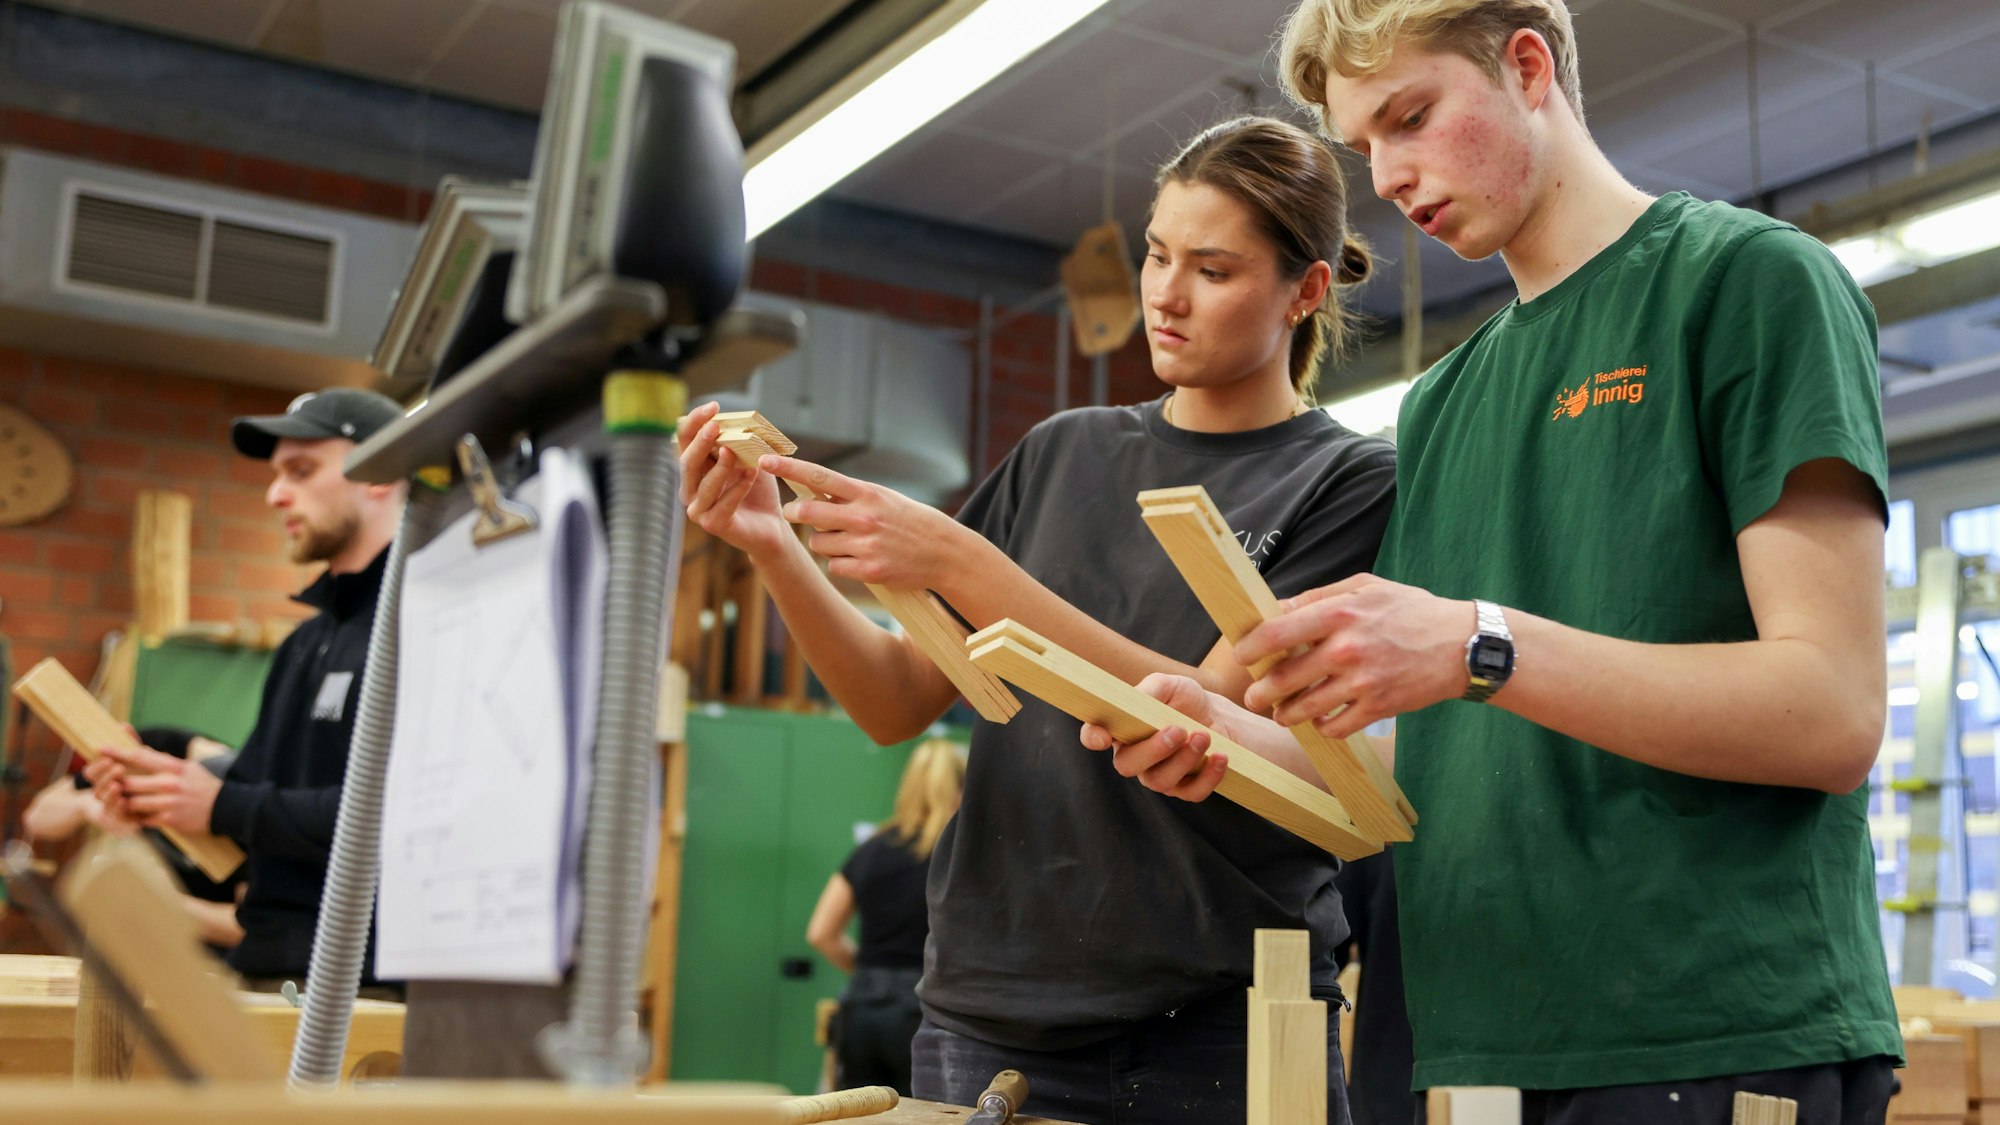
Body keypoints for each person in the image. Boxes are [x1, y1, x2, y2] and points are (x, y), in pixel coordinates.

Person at [1091, 2, 1901, 1121]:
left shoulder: (1745, 286)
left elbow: (1830, 712)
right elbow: (1447, 763)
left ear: (1526, 68)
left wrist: (1479, 641)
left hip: (1701, 1028)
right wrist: (1232, 741)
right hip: (1460, 1037)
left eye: (1411, 117)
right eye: (1365, 145)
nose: (1389, 176)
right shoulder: (1444, 402)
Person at [682, 115, 1395, 1125]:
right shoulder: (1060, 452)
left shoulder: (1346, 481)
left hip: (1210, 1025)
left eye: (1212, 269)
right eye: (1154, 253)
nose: (1162, 294)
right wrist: (772, 548)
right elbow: (894, 701)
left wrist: (964, 562)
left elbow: (1199, 712)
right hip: (984, 1012)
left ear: (1305, 290)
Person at [89, 387, 407, 992]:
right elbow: (257, 801)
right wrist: (161, 794)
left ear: (381, 474)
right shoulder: (304, 643)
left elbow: (399, 816)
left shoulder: (423, 624)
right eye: (276, 474)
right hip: (268, 965)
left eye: (302, 470)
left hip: (363, 985)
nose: (274, 494)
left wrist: (223, 804)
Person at [806, 737, 966, 1097]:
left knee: (859, 1114)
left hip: (862, 1010)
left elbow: (821, 933)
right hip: (926, 1012)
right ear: (959, 790)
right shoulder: (960, 857)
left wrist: (870, 973)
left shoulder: (872, 849)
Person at [25, 725, 245, 951]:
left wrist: (161, 904)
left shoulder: (245, 811)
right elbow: (37, 818)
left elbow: (247, 927)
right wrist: (87, 804)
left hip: (203, 960)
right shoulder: (152, 750)